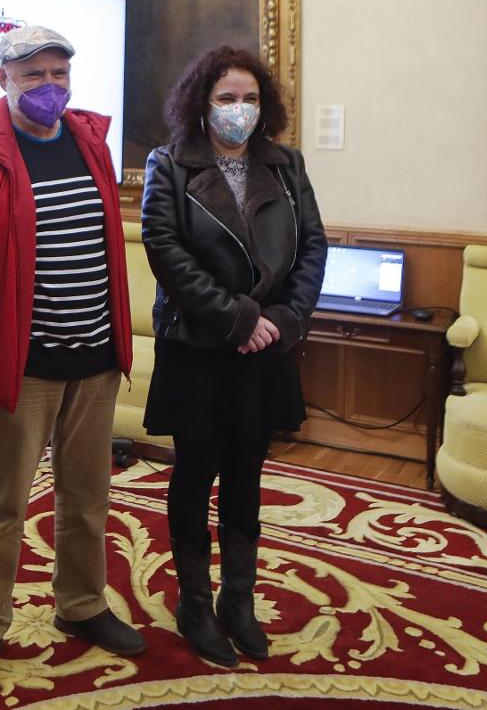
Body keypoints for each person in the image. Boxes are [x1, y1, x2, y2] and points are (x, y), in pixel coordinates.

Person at [0, 25, 144, 693]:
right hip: (23, 368)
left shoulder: (89, 143)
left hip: (97, 359)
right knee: (0, 506)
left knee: (88, 499)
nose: (48, 87)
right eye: (32, 76)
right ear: (3, 80)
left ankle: (82, 605)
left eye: (58, 74)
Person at [141, 46, 326, 667]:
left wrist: (281, 319)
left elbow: (313, 248)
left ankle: (237, 601)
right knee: (196, 471)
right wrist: (238, 318)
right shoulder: (168, 164)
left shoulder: (287, 164)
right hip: (200, 345)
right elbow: (165, 252)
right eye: (226, 98)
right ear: (202, 104)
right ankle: (194, 602)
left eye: (249, 99)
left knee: (248, 470)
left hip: (267, 346)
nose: (238, 110)